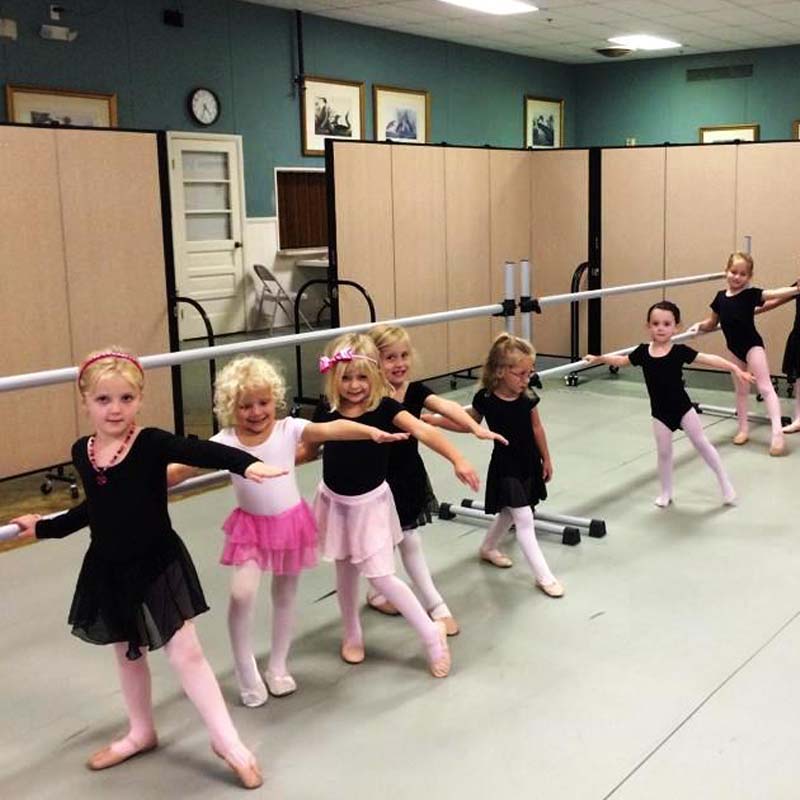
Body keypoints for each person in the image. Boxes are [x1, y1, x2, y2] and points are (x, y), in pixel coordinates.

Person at [9, 349, 286, 789]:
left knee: (187, 654)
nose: (115, 409)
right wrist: (45, 528)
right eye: (103, 400)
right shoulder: (84, 451)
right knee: (126, 653)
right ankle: (141, 731)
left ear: (139, 399)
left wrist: (247, 464)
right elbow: (94, 510)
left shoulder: (152, 443)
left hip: (157, 562)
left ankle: (226, 740)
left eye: (125, 398)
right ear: (85, 402)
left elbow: (202, 449)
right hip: (107, 567)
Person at [167, 355, 407, 708]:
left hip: (290, 524)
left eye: (263, 403)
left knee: (285, 596)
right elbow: (181, 470)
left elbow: (332, 429)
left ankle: (278, 665)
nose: (255, 412)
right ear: (231, 406)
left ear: (274, 400)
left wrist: (370, 431)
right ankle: (245, 666)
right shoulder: (226, 440)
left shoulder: (288, 428)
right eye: (245, 406)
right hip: (251, 528)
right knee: (242, 593)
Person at [306, 333, 481, 677]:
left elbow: (424, 431)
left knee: (382, 576)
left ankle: (431, 634)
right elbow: (307, 448)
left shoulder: (383, 408)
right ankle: (352, 632)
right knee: (343, 570)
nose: (354, 386)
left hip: (370, 505)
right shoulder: (325, 409)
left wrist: (458, 458)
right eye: (346, 377)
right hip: (335, 501)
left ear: (373, 377)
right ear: (333, 377)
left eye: (361, 377)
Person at [360, 325, 508, 635]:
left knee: (409, 539)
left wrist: (474, 428)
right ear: (374, 362)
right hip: (375, 480)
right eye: (390, 358)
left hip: (407, 475)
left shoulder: (413, 391)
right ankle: (390, 595)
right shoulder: (371, 397)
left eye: (404, 356)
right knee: (384, 541)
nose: (399, 364)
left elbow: (448, 408)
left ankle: (432, 604)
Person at [586, 301, 754, 507]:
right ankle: (666, 492)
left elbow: (709, 359)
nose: (660, 328)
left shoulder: (679, 351)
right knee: (664, 453)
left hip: (683, 408)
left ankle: (725, 483)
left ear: (676, 327)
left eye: (666, 324)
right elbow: (621, 361)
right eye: (656, 323)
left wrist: (736, 369)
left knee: (702, 444)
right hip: (660, 413)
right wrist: (599, 358)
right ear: (648, 326)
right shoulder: (642, 352)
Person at [438, 333, 564, 597]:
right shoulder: (486, 398)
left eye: (529, 373)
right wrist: (433, 421)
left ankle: (487, 548)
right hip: (505, 465)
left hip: (529, 461)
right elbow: (468, 423)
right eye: (520, 374)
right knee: (524, 518)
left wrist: (547, 458)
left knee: (510, 512)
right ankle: (544, 576)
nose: (526, 379)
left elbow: (537, 428)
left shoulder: (527, 397)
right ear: (500, 371)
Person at [688, 252, 800, 456]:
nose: (737, 277)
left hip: (752, 346)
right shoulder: (720, 298)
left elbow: (774, 293)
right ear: (726, 271)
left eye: (742, 274)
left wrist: (796, 289)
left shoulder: (751, 294)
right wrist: (698, 326)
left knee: (765, 387)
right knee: (740, 390)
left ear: (749, 277)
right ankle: (743, 429)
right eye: (733, 272)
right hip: (734, 349)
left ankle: (777, 434)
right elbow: (712, 323)